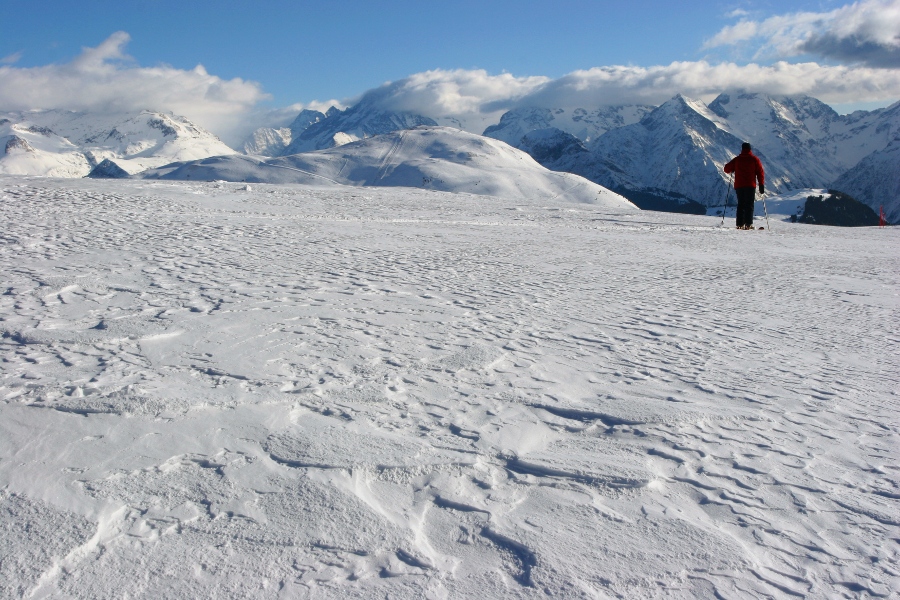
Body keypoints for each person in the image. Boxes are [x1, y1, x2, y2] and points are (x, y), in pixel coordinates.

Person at [724, 142, 765, 229]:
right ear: (750, 149)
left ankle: (739, 224)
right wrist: (761, 184)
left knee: (741, 204)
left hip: (739, 185)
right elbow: (760, 172)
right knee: (749, 204)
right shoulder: (754, 159)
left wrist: (733, 169)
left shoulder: (737, 160)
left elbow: (726, 169)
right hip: (750, 185)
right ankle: (748, 224)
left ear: (742, 149)